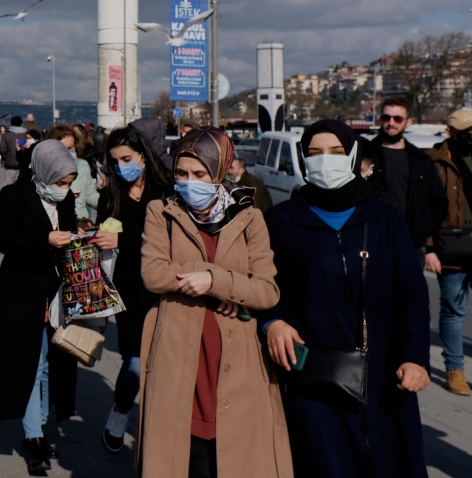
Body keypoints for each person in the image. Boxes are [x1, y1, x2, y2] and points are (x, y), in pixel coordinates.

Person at [261, 120, 429, 478]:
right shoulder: (282, 220)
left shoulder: (384, 218)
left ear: (353, 156)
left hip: (385, 378)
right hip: (313, 377)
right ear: (303, 160)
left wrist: (415, 357)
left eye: (336, 153)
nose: (326, 161)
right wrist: (271, 321)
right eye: (314, 153)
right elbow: (261, 285)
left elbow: (412, 293)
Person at [137, 128, 292, 477]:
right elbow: (154, 274)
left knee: (235, 454)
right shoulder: (161, 212)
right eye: (181, 173)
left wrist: (215, 281)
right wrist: (224, 286)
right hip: (179, 352)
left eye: (198, 174)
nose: (188, 182)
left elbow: (267, 290)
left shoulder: (249, 217)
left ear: (218, 173)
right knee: (184, 456)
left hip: (237, 357)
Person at [0, 140, 83, 476]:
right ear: (43, 172)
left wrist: (81, 237)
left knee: (50, 361)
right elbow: (6, 240)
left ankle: (39, 429)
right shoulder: (13, 196)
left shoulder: (68, 199)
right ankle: (34, 436)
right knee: (32, 361)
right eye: (60, 183)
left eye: (69, 183)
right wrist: (45, 240)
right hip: (23, 291)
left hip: (57, 291)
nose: (65, 189)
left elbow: (70, 233)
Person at [92, 124, 174, 453]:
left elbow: (169, 238)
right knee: (136, 363)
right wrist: (97, 237)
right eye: (114, 161)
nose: (121, 166)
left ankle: (159, 425)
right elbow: (104, 233)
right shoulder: (110, 195)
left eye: (126, 158)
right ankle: (121, 411)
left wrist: (122, 239)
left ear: (142, 154)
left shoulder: (166, 190)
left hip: (164, 287)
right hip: (126, 287)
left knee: (165, 362)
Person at [363, 96, 446, 265]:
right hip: (374, 241)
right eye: (386, 118)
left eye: (397, 118)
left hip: (412, 244)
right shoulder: (366, 155)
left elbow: (438, 202)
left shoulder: (421, 160)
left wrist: (423, 233)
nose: (391, 123)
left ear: (408, 122)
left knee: (411, 291)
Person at [428, 108, 472, 396]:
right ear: (450, 133)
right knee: (453, 310)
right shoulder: (434, 162)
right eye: (465, 132)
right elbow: (425, 207)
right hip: (451, 245)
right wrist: (430, 248)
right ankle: (455, 369)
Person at [47, 124, 99, 221]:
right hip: (55, 222)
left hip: (80, 221)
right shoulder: (44, 167)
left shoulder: (82, 166)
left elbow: (90, 195)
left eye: (70, 148)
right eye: (62, 148)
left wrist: (110, 202)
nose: (67, 152)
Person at [0, 117, 23, 186]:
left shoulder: (7, 135)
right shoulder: (25, 135)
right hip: (22, 164)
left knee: (8, 185)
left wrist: (5, 157)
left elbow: (2, 148)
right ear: (21, 124)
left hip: (10, 164)